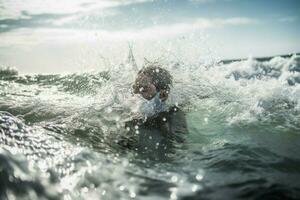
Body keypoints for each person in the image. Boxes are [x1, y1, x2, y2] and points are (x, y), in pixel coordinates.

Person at [120, 63, 187, 160]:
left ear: (163, 95)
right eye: (135, 88)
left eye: (144, 89)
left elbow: (178, 150)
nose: (136, 95)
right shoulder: (127, 113)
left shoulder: (174, 114)